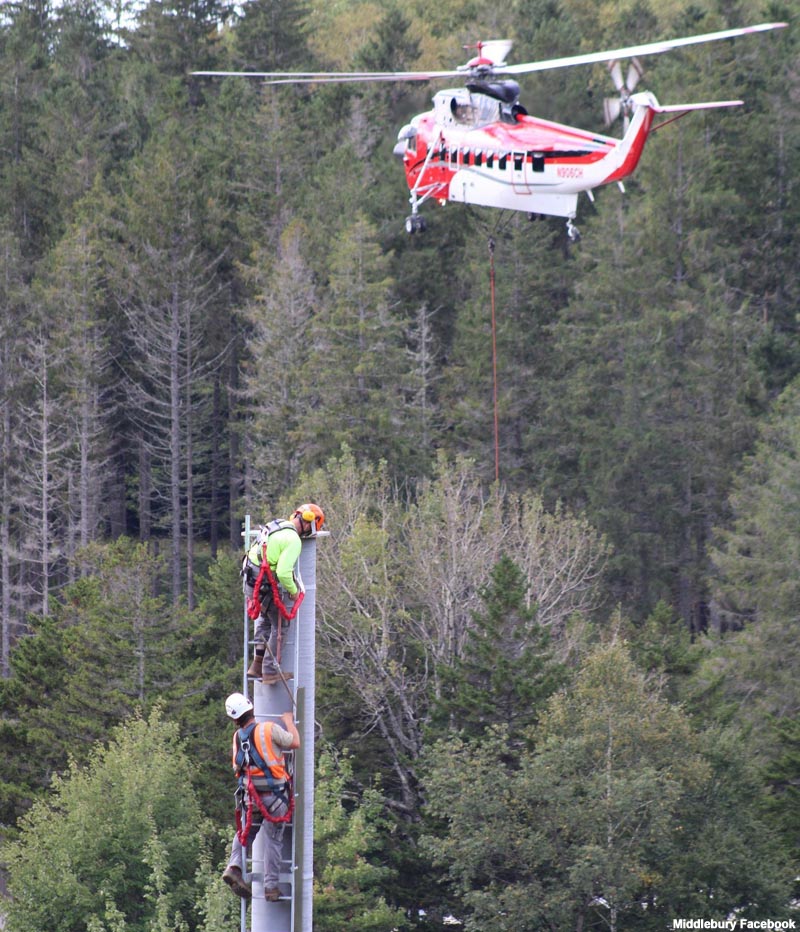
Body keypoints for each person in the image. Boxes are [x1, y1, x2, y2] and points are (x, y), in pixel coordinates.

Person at [221, 692, 301, 902]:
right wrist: (289, 721)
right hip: (276, 798)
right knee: (273, 841)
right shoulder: (268, 729)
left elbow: (237, 766)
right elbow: (294, 742)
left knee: (243, 833)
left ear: (234, 718)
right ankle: (271, 888)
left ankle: (234, 865)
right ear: (251, 708)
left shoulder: (238, 737)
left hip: (251, 798)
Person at [243, 503, 325, 684]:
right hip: (261, 581)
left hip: (250, 578)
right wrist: (294, 592)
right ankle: (269, 670)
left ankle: (256, 667)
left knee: (264, 620)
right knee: (282, 624)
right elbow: (283, 572)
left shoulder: (278, 525)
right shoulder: (294, 540)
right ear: (309, 525)